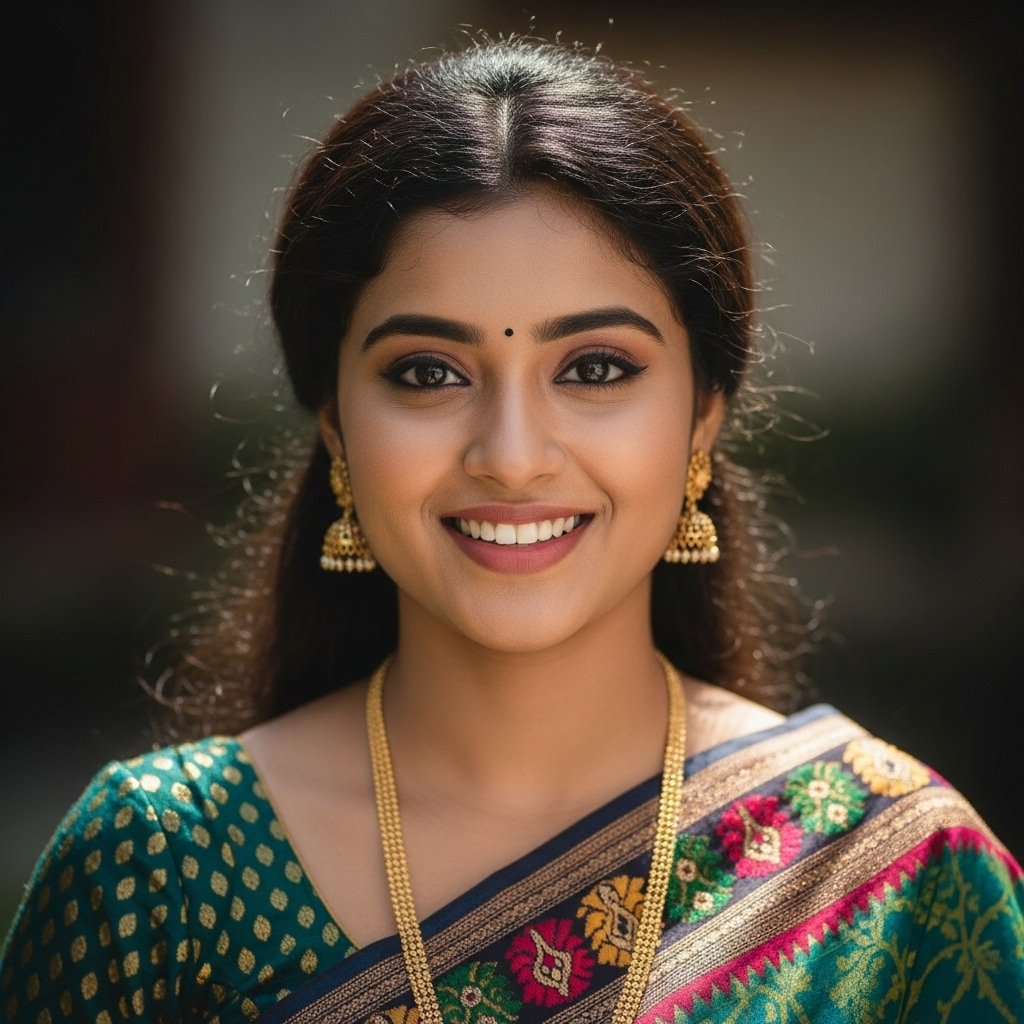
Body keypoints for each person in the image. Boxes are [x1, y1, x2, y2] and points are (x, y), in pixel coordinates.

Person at [2, 38, 1021, 1024]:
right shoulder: (163, 868)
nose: (512, 453)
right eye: (427, 373)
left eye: (594, 368)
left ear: (703, 408)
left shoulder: (885, 877)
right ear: (333, 420)